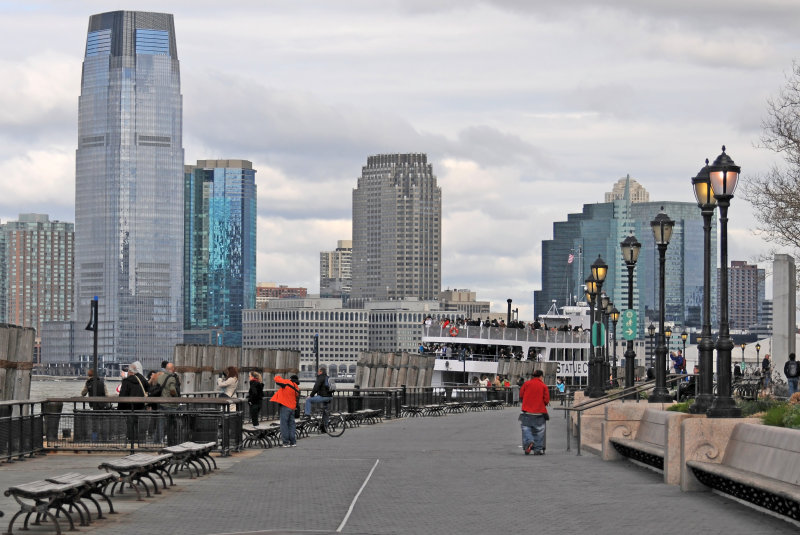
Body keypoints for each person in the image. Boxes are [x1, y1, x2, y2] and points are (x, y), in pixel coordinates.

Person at [519, 369, 549, 455]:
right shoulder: (543, 386)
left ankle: (529, 441)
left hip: (527, 411)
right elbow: (546, 400)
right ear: (541, 376)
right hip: (539, 412)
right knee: (539, 431)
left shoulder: (526, 384)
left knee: (526, 428)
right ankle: (537, 449)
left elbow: (521, 395)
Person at [118, 361, 148, 445]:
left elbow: (122, 396)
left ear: (130, 372)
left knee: (130, 424)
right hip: (141, 407)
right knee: (140, 424)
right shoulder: (142, 380)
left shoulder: (126, 382)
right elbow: (148, 390)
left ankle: (131, 442)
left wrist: (120, 409)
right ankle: (141, 441)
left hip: (129, 407)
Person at [270, 374, 300, 446]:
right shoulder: (297, 388)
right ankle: (293, 442)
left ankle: (285, 442)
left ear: (290, 379)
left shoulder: (287, 382)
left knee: (284, 424)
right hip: (292, 408)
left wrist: (278, 375)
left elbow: (277, 380)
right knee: (291, 424)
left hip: (285, 406)